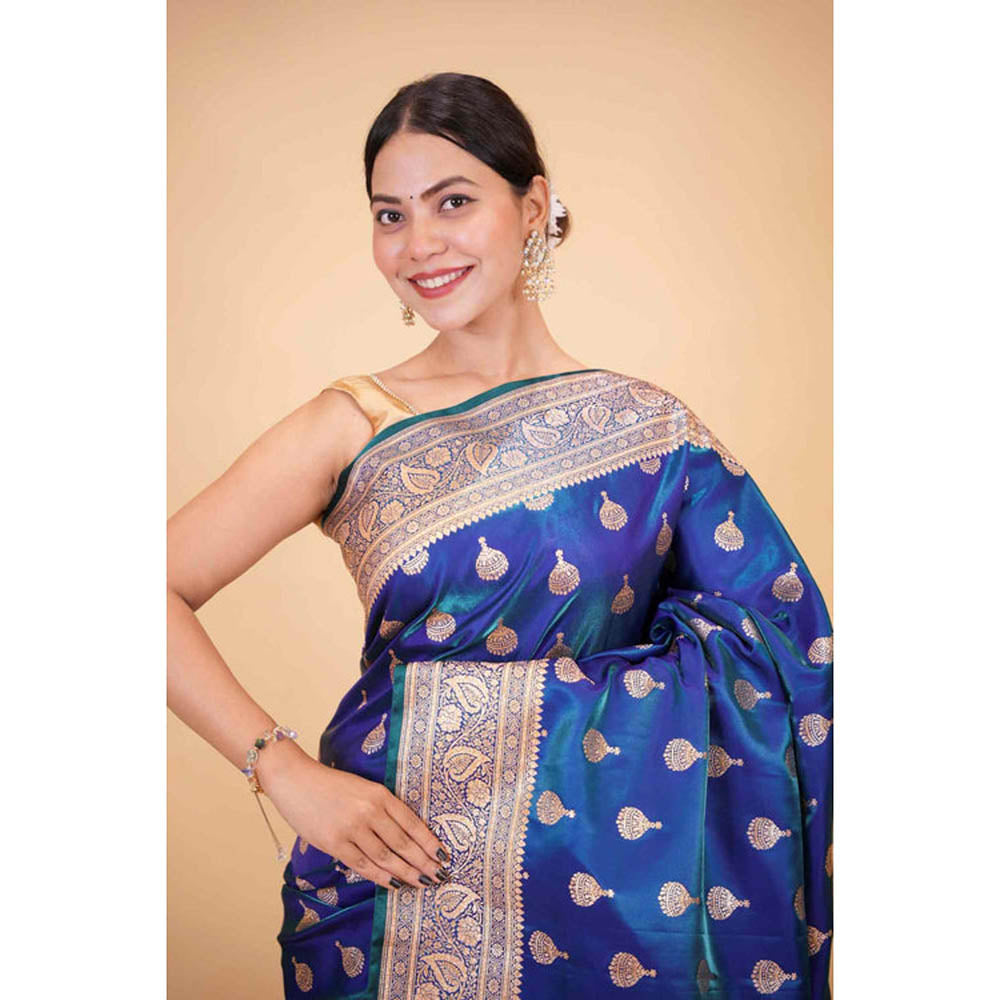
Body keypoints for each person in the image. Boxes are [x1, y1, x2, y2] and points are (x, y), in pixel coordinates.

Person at [167, 72, 833, 999]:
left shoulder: (650, 430)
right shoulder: (353, 424)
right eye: (390, 215)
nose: (419, 243)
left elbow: (779, 654)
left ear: (532, 207)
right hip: (394, 891)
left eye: (453, 202)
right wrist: (283, 772)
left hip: (614, 910)